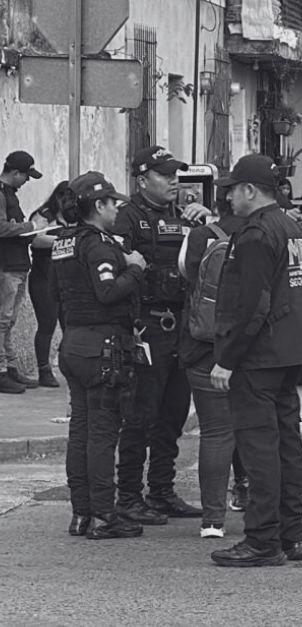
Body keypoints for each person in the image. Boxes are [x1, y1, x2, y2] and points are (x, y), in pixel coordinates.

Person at [209, 154, 302, 567]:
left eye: (233, 189)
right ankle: (292, 536)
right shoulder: (291, 226)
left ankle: (262, 540)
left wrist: (228, 359)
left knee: (260, 450)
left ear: (250, 190)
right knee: (287, 445)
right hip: (290, 350)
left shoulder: (255, 234)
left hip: (260, 356)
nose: (229, 198)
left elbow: (252, 305)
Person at [112, 145, 210, 524]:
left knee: (172, 415)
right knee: (139, 415)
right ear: (142, 180)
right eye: (164, 174)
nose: (174, 180)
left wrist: (205, 225)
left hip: (181, 325)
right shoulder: (127, 219)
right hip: (146, 325)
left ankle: (162, 491)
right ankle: (129, 496)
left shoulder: (186, 217)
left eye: (176, 174)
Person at [51, 171, 147, 540]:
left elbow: (54, 294)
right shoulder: (98, 245)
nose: (116, 207)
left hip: (73, 343)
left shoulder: (63, 242)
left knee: (81, 430)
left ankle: (81, 514)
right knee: (103, 433)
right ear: (98, 206)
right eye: (112, 202)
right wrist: (135, 269)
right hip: (102, 347)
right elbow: (108, 292)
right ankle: (105, 516)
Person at [177, 193, 248, 539]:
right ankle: (261, 506)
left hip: (204, 347)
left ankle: (212, 520)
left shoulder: (201, 237)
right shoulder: (264, 233)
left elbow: (188, 278)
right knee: (258, 430)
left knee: (216, 433)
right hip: (249, 350)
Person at [0, 151, 43, 394]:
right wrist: (30, 227)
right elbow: (2, 227)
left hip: (17, 265)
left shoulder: (10, 195)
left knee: (9, 321)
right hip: (6, 267)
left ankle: (10, 366)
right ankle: (2, 370)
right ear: (15, 173)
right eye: (26, 176)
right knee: (2, 321)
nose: (27, 181)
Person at [28, 181, 72, 387]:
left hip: (65, 276)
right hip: (43, 276)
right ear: (58, 198)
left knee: (70, 324)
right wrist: (64, 239)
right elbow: (36, 240)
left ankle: (68, 364)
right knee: (47, 324)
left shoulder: (73, 215)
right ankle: (44, 369)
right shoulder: (44, 215)